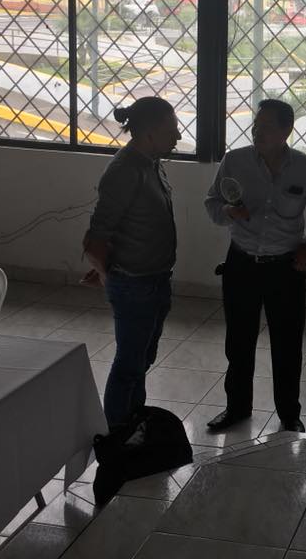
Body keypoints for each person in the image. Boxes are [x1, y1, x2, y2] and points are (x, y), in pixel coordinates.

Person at [204, 99, 306, 433]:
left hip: (286, 268)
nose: (257, 132)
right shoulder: (235, 161)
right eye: (256, 125)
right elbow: (212, 201)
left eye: (266, 127)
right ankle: (237, 408)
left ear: (286, 131)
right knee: (238, 341)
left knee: (287, 343)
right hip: (242, 263)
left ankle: (289, 415)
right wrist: (227, 212)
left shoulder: (305, 168)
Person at [82, 96, 181, 429]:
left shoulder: (151, 162)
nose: (178, 136)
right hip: (134, 284)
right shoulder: (124, 171)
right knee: (129, 365)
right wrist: (108, 275)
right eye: (171, 130)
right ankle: (116, 435)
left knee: (142, 360)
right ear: (149, 133)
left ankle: (133, 422)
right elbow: (96, 238)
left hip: (156, 279)